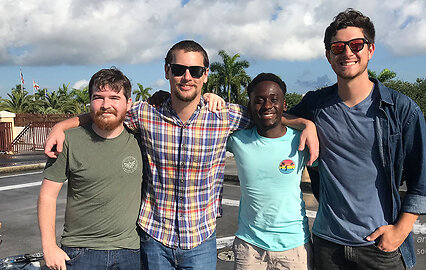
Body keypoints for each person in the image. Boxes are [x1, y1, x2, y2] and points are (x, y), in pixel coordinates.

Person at [44, 40, 318, 270]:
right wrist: (62, 124)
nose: (187, 76)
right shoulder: (145, 114)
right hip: (154, 238)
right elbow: (107, 108)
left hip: (200, 239)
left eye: (195, 70)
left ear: (205, 75)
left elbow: (268, 114)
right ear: (167, 71)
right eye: (179, 69)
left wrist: (306, 123)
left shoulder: (225, 116)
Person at [288, 9, 426, 269]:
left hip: (380, 247)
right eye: (338, 47)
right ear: (328, 55)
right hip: (327, 244)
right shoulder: (316, 104)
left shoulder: (401, 110)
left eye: (356, 45)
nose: (347, 53)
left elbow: (422, 182)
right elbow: (273, 117)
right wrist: (305, 122)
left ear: (370, 49)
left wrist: (398, 233)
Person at [38, 68, 143, 270]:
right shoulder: (68, 141)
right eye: (98, 98)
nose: (106, 105)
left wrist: (208, 97)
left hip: (130, 250)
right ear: (90, 101)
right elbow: (47, 196)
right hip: (80, 252)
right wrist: (49, 246)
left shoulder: (140, 139)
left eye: (114, 97)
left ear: (129, 103)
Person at [227, 73, 313, 269]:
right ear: (249, 106)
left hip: (295, 247)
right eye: (259, 100)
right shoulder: (237, 140)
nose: (267, 106)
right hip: (249, 248)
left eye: (274, 100)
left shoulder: (301, 140)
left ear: (284, 105)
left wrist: (310, 125)